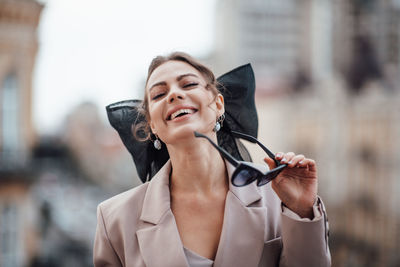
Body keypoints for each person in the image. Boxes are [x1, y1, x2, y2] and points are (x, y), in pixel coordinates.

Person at [93, 52, 331, 267]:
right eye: (159, 94)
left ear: (218, 105)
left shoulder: (277, 195)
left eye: (189, 84)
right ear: (152, 125)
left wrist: (301, 211)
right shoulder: (114, 220)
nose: (175, 94)